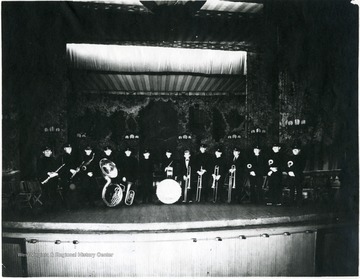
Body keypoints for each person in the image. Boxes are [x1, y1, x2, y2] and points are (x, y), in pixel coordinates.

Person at [37, 146, 63, 211]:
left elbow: (57, 169)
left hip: (54, 179)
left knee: (54, 192)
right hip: (45, 179)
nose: (48, 152)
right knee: (46, 193)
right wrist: (48, 173)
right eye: (46, 151)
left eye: (49, 151)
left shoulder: (54, 160)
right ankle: (47, 208)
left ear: (51, 152)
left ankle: (54, 207)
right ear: (43, 152)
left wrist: (55, 174)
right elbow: (39, 171)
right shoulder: (41, 160)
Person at [58, 143, 79, 209]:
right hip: (65, 177)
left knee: (73, 190)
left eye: (70, 148)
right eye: (68, 148)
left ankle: (74, 206)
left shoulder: (73, 156)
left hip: (73, 177)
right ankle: (67, 206)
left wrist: (77, 169)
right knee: (66, 191)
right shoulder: (62, 157)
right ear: (64, 149)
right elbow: (61, 167)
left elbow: (76, 164)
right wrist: (69, 170)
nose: (69, 149)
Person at [286, 141, 306, 206]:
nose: (294, 151)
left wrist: (294, 173)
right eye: (293, 149)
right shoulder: (290, 158)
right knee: (291, 190)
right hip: (291, 177)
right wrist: (288, 172)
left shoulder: (302, 158)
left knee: (299, 190)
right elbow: (287, 166)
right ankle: (291, 203)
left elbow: (301, 167)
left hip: (298, 176)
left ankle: (298, 203)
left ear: (299, 150)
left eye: (296, 150)